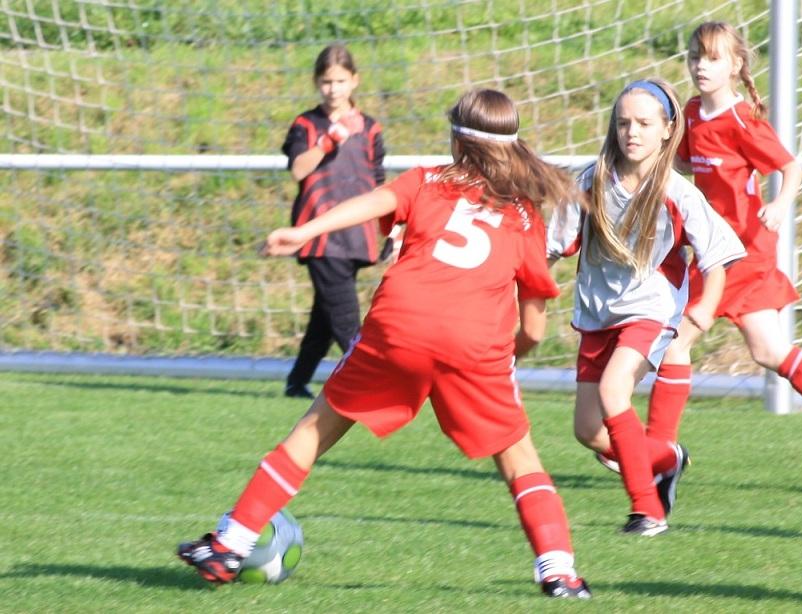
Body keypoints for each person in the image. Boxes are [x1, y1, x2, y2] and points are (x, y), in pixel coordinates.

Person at [178, 88, 592, 599]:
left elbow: (371, 202)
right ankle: (559, 573)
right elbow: (531, 330)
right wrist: (497, 364)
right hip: (475, 343)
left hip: (400, 324)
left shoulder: (425, 181)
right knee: (519, 458)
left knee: (314, 430)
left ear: (457, 141)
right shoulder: (525, 216)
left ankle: (230, 544)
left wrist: (304, 230)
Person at [641, 21, 802, 477]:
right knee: (770, 351)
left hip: (742, 252)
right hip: (719, 250)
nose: (701, 65)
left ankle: (654, 454)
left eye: (713, 58)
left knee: (675, 341)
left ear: (735, 66)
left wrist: (778, 204)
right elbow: (687, 162)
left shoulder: (742, 122)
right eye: (696, 56)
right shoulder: (693, 112)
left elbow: (790, 168)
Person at [547, 78, 746, 536]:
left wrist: (702, 311)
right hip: (598, 312)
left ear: (667, 129)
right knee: (588, 431)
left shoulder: (679, 192)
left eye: (643, 123)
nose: (631, 132)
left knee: (614, 392)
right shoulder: (590, 179)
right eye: (622, 123)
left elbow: (717, 259)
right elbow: (551, 248)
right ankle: (667, 457)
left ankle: (647, 511)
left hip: (650, 308)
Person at [280, 43, 386, 399]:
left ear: (354, 81)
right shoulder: (306, 124)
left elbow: (379, 180)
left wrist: (392, 227)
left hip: (357, 235)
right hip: (319, 235)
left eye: (340, 81)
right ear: (316, 83)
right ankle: (372, 382)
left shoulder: (370, 128)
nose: (333, 89)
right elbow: (298, 170)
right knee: (344, 315)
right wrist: (329, 141)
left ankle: (297, 382)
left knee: (325, 316)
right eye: (326, 82)